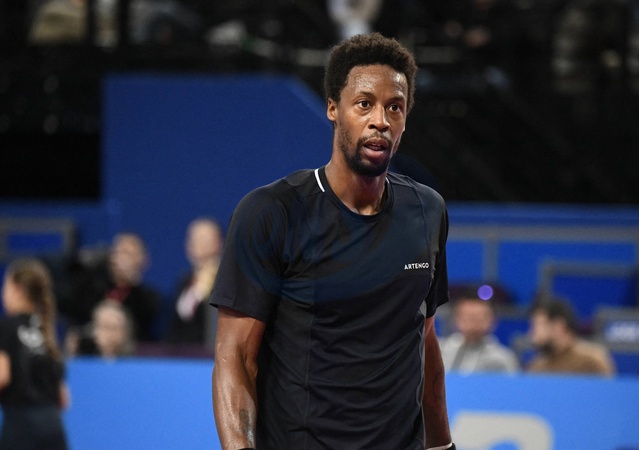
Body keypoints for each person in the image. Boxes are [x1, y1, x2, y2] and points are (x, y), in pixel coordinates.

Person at [210, 32, 454, 450]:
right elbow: (235, 356)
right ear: (333, 109)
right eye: (364, 104)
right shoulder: (271, 212)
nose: (380, 120)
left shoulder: (428, 210)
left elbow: (425, 339)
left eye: (394, 107)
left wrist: (443, 446)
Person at [0, 258, 70, 450]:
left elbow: (2, 376)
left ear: (17, 291)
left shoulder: (6, 328)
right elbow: (63, 399)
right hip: (54, 427)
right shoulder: (47, 332)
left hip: (21, 427)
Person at [65, 232, 161, 342]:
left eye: (127, 253)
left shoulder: (148, 297)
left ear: (143, 261)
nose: (121, 258)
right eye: (117, 252)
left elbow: (142, 322)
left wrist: (132, 279)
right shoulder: (94, 287)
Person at [165, 217, 223, 346]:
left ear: (219, 243)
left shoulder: (225, 280)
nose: (197, 244)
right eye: (193, 239)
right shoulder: (184, 281)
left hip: (209, 353)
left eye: (204, 239)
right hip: (182, 353)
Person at [526, 297, 615, 376]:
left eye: (537, 326)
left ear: (558, 326)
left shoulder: (591, 362)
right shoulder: (537, 368)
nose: (531, 333)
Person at [439, 293, 519, 373]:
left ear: (492, 321)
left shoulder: (502, 358)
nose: (472, 324)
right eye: (467, 318)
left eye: (478, 318)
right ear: (455, 319)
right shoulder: (439, 350)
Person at [66, 299, 136, 359]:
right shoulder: (83, 354)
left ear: (125, 332)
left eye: (112, 327)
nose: (107, 334)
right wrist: (72, 352)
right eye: (102, 327)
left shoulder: (133, 358)